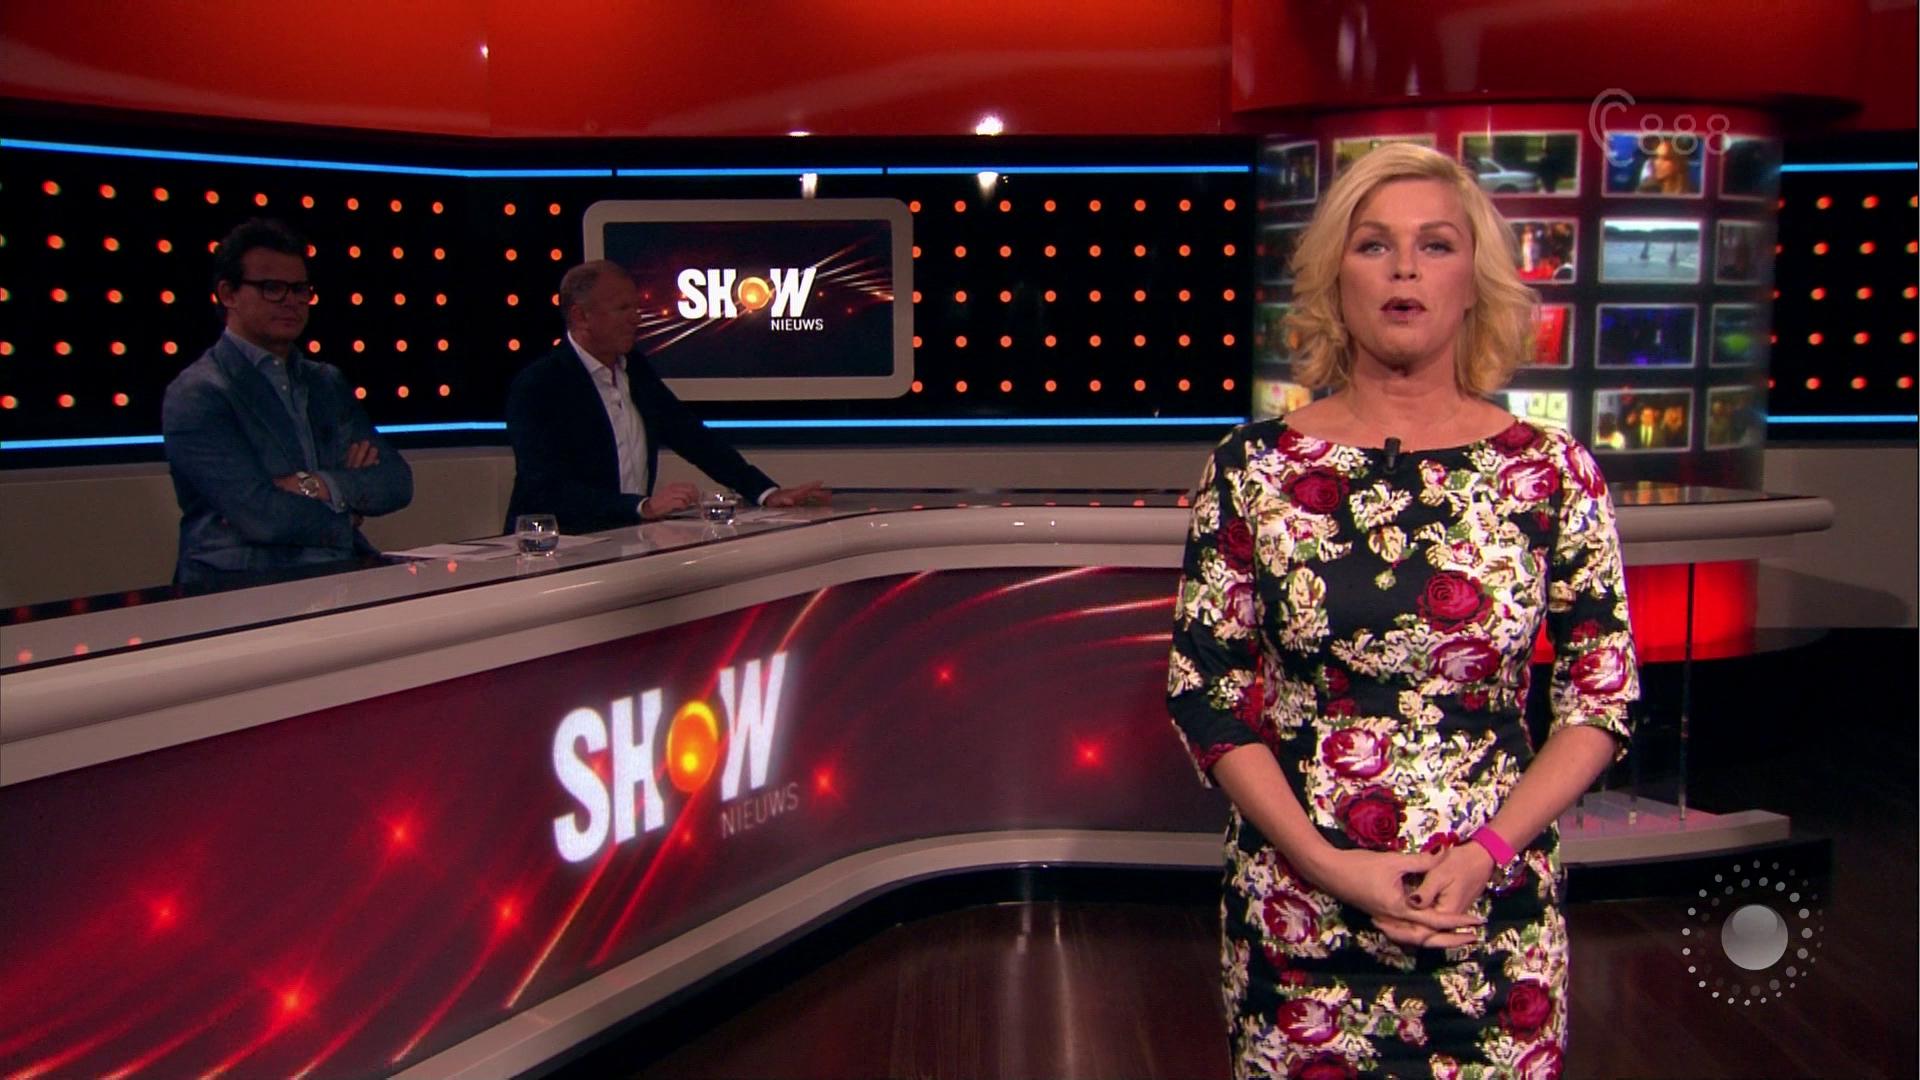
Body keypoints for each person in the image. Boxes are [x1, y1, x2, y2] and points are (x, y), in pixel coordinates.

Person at [1165, 143, 1638, 1077]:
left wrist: (1487, 852)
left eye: (1436, 245)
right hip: (1300, 913)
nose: (1405, 270)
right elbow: (1204, 694)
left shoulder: (1552, 471)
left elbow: (1601, 697)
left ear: (1475, 282)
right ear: (1335, 279)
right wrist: (1326, 865)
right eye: (1375, 245)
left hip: (1490, 914)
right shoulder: (1251, 467)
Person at [162, 219, 413, 588]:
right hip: (239, 587)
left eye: (300, 289)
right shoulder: (199, 393)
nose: (291, 301)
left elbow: (395, 481)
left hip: (336, 575)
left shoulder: (325, 382)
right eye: (272, 288)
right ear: (228, 294)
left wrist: (312, 483)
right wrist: (347, 511)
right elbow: (260, 515)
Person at [504, 261, 827, 534]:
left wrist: (765, 492)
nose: (636, 318)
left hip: (622, 542)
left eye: (636, 307)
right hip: (552, 550)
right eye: (622, 308)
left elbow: (691, 436)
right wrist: (641, 507)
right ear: (580, 316)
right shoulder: (539, 384)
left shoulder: (635, 370)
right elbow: (544, 486)